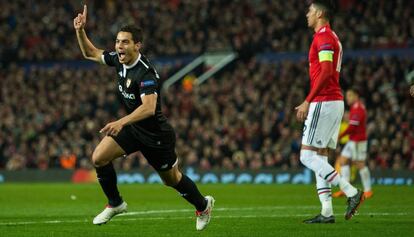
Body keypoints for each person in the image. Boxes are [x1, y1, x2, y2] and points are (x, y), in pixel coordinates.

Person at [73, 5, 214, 230]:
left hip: (155, 135)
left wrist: (120, 122)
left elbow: (149, 108)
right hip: (134, 128)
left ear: (137, 45)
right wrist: (80, 30)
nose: (119, 46)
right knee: (99, 157)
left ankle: (202, 205)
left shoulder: (146, 73)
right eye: (118, 41)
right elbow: (90, 53)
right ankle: (115, 203)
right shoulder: (119, 61)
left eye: (125, 42)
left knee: (172, 180)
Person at [295, 0, 364, 224]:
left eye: (310, 10)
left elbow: (325, 72)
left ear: (320, 13)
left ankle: (351, 191)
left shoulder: (323, 37)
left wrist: (308, 100)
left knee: (306, 156)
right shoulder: (331, 37)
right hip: (333, 101)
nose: (307, 14)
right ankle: (326, 212)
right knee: (320, 156)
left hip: (324, 101)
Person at [332, 88, 373, 199]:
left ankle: (368, 190)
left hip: (358, 141)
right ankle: (345, 189)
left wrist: (340, 136)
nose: (347, 98)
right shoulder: (355, 108)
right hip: (353, 140)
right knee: (343, 161)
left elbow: (352, 127)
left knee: (360, 164)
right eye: (347, 95)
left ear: (356, 96)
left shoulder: (358, 108)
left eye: (350, 95)